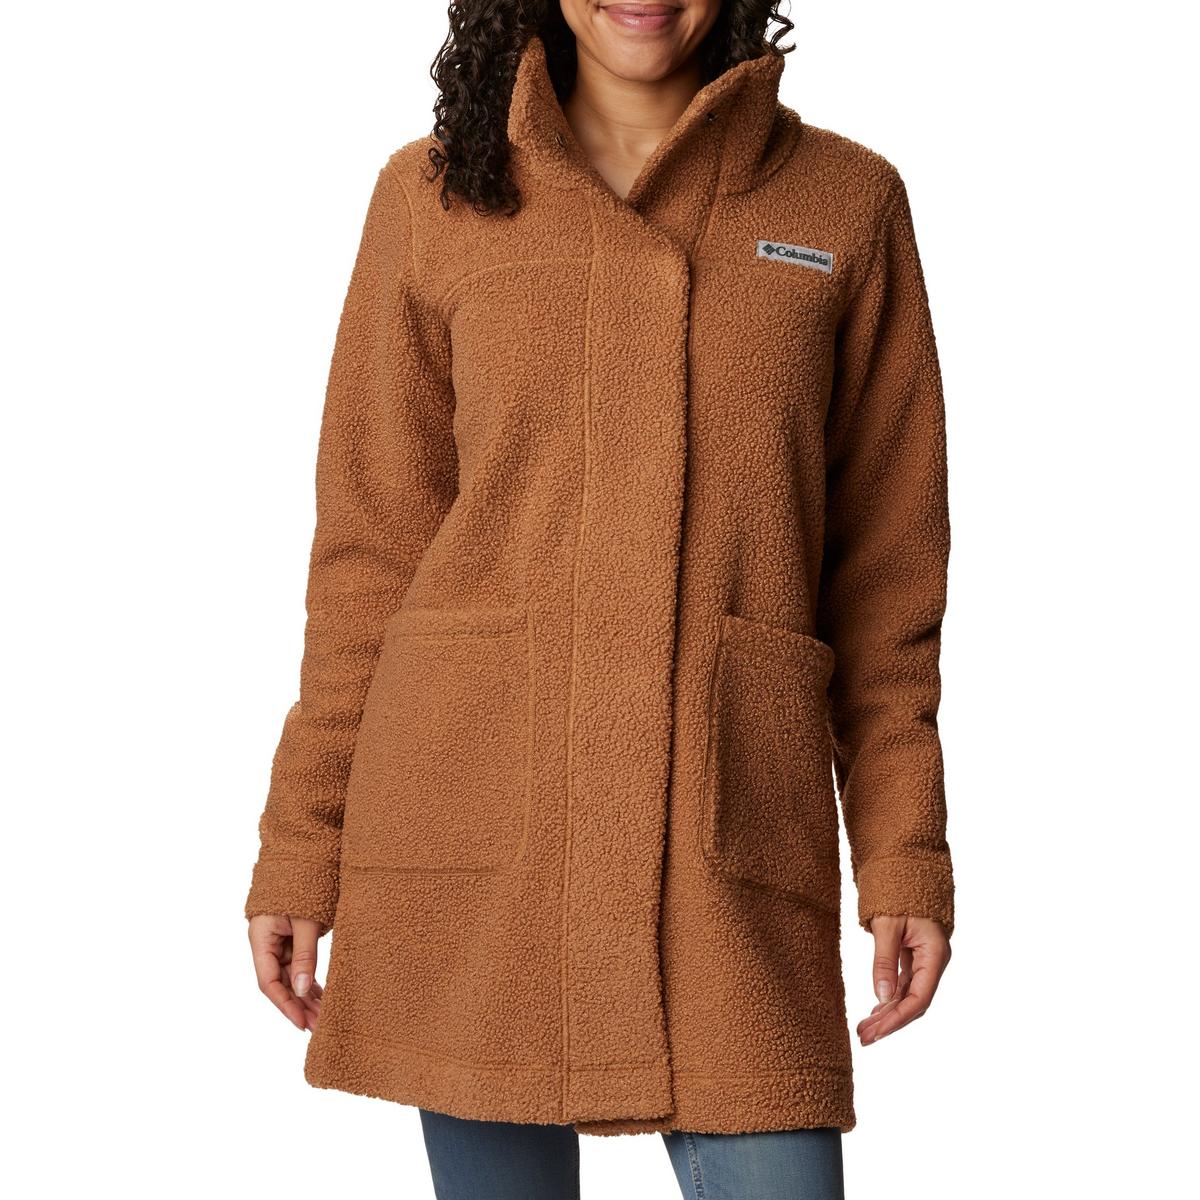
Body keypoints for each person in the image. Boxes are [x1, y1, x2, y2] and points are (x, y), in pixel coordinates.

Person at [244, 2, 954, 1196]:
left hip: (727, 832)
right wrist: (300, 845)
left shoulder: (845, 202)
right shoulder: (433, 196)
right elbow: (368, 556)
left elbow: (887, 586)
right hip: (475, 828)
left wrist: (904, 854)